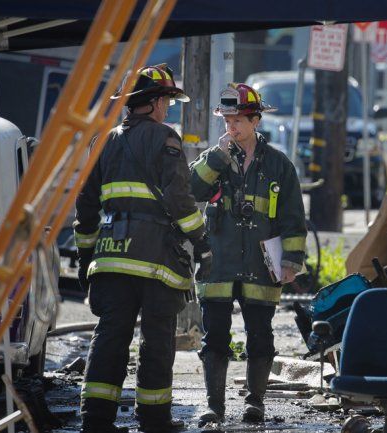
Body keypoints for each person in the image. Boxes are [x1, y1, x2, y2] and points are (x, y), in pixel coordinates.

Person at [74, 63, 212, 433]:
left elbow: (86, 207)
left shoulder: (102, 143)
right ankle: (153, 419)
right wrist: (202, 243)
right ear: (152, 102)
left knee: (110, 335)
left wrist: (86, 257)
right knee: (157, 339)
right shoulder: (166, 139)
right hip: (156, 261)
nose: (168, 108)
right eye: (167, 100)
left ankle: (95, 420)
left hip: (111, 255)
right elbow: (180, 200)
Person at [189, 83, 307, 425]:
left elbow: (293, 218)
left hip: (260, 265)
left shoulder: (279, 166)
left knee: (261, 336)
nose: (231, 126)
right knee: (215, 338)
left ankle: (255, 402)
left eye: (238, 119)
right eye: (227, 120)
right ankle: (215, 406)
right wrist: (217, 156)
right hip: (219, 263)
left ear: (256, 121)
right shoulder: (217, 157)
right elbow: (193, 189)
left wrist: (290, 262)